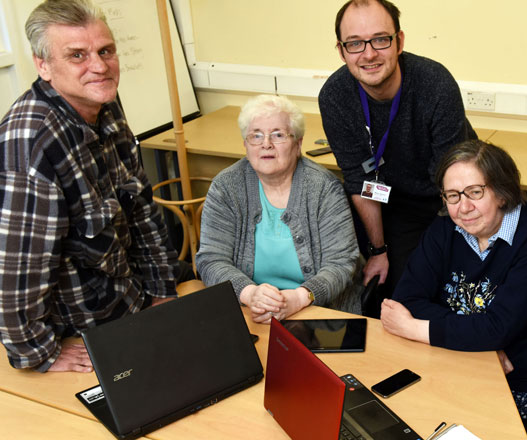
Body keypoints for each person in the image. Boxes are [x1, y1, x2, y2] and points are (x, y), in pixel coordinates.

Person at [0, 0, 177, 372]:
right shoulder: (30, 141)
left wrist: (162, 292)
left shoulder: (104, 102)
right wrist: (41, 353)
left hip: (129, 306)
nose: (99, 66)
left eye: (105, 51)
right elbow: (17, 271)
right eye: (77, 55)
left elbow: (141, 207)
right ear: (43, 65)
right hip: (79, 336)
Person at [381, 140, 527, 428]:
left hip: (523, 382)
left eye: (475, 192)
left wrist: (415, 328)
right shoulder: (445, 228)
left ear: (502, 192)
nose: (464, 207)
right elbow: (407, 300)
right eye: (453, 195)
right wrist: (481, 345)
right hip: (457, 363)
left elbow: (498, 328)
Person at [318, 0, 476, 310]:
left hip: (453, 199)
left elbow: (455, 181)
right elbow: (359, 181)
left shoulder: (434, 84)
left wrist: (440, 252)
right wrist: (379, 250)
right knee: (393, 293)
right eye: (355, 43)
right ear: (341, 50)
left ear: (399, 41)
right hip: (395, 205)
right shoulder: (335, 97)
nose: (369, 53)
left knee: (438, 286)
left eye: (380, 39)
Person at [196, 95, 361, 323]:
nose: (266, 144)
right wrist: (250, 294)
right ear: (245, 144)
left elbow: (342, 264)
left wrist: (299, 298)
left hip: (319, 314)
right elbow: (211, 260)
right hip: (248, 311)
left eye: (278, 135)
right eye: (256, 135)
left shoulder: (323, 188)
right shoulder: (226, 187)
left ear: (298, 144)